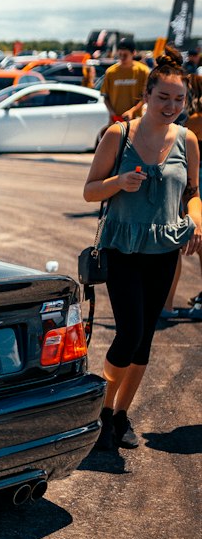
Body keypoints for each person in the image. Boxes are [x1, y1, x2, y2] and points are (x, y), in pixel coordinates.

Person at [82, 46, 201, 448]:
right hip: (123, 247)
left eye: (179, 98)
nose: (171, 105)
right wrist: (118, 183)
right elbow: (88, 191)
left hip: (164, 249)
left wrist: (197, 219)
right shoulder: (121, 134)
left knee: (145, 336)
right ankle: (101, 409)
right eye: (163, 97)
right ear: (146, 96)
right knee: (128, 333)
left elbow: (193, 194)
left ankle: (120, 415)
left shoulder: (188, 140)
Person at [101, 38, 150, 123]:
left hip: (135, 120)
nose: (122, 58)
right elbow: (105, 97)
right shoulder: (111, 72)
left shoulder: (143, 71)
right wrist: (112, 113)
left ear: (133, 53)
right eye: (120, 54)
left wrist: (132, 111)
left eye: (125, 55)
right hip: (116, 121)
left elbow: (145, 97)